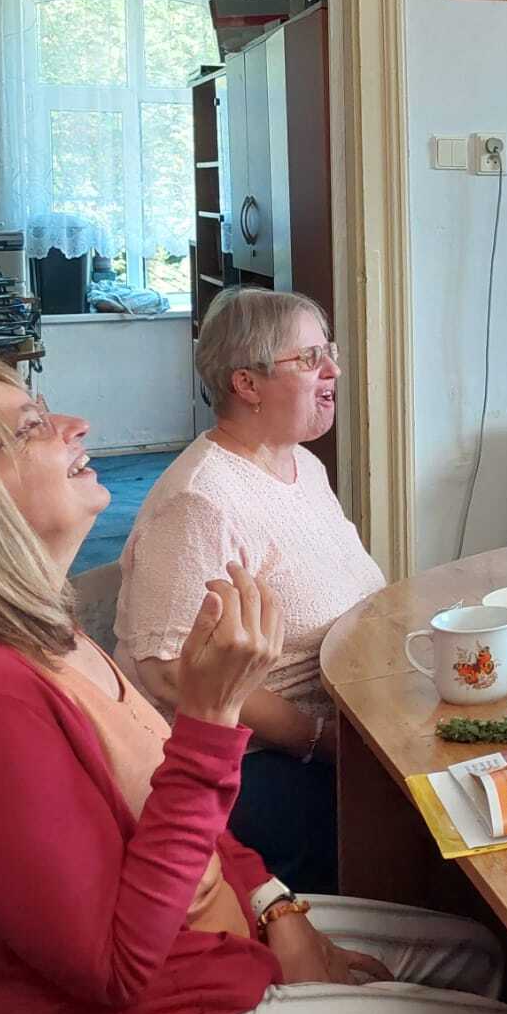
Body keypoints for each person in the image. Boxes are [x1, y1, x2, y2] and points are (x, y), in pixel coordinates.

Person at [0, 357, 507, 1014]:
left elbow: (160, 807)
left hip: (208, 944)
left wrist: (275, 907)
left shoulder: (43, 638)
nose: (76, 425)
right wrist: (210, 720)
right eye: (31, 426)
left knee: (480, 952)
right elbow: (114, 970)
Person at [115, 288, 383, 895]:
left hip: (340, 723)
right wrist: (318, 742)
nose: (333, 371)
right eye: (310, 357)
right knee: (420, 827)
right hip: (254, 764)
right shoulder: (201, 500)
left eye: (329, 351)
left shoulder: (301, 465)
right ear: (247, 383)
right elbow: (170, 670)